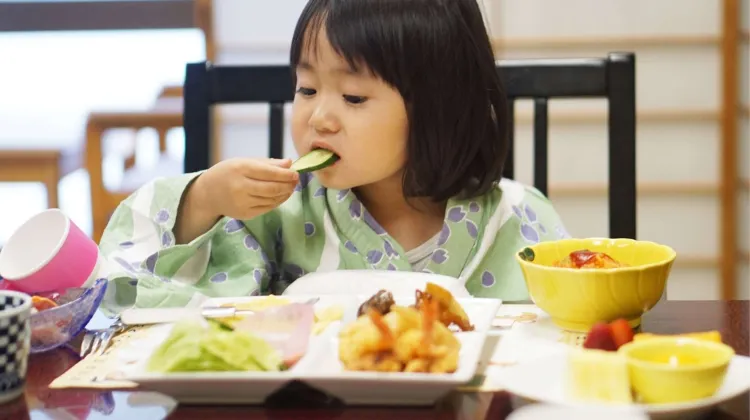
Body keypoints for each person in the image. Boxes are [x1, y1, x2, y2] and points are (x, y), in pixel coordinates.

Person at [98, 0, 571, 313]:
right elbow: (124, 285)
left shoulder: (517, 217)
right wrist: (204, 199)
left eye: (354, 97)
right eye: (306, 89)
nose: (318, 117)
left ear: (438, 107)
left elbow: (563, 336)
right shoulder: (275, 214)